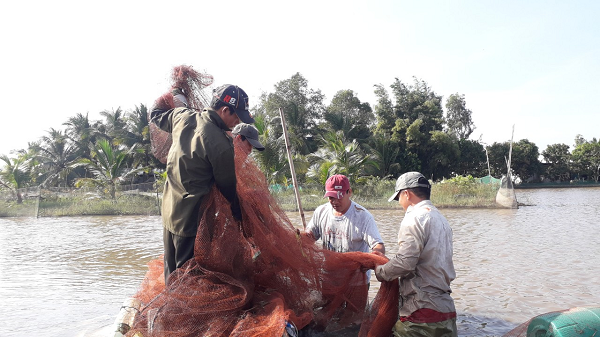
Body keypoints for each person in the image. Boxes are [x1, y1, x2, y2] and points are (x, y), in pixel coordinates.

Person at [150, 84, 255, 283]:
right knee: (186, 276)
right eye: (237, 117)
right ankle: (179, 312)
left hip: (168, 212)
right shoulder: (220, 143)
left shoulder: (182, 116)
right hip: (190, 220)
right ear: (225, 110)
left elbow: (156, 113)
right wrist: (239, 217)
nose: (237, 122)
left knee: (170, 270)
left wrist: (176, 92)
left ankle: (170, 308)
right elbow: (227, 187)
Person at [374, 172, 458, 337]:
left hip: (421, 313)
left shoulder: (414, 218)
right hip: (446, 311)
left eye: (399, 197)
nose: (400, 203)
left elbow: (405, 262)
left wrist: (380, 272)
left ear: (406, 193)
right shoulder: (441, 219)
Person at [305, 174, 385, 258]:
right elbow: (309, 237)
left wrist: (374, 256)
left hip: (355, 270)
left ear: (349, 192)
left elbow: (378, 246)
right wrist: (299, 238)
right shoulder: (321, 212)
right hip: (328, 269)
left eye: (339, 197)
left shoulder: (363, 216)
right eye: (331, 198)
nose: (335, 202)